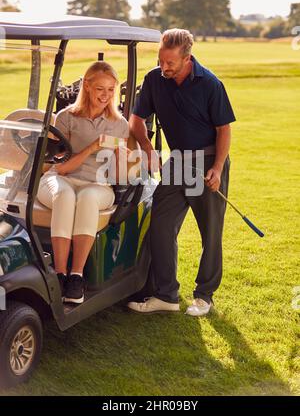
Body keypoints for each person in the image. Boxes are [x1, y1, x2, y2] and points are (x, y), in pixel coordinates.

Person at [127, 29, 236, 316]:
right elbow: (136, 119)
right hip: (176, 162)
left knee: (210, 233)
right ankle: (166, 296)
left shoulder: (211, 84)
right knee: (161, 228)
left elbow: (224, 129)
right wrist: (148, 148)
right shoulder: (154, 80)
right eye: (160, 60)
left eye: (170, 63)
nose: (164, 67)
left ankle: (203, 296)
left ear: (187, 58)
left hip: (208, 161)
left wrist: (216, 168)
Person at [37, 61, 130, 304]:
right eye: (100, 88)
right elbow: (63, 168)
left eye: (111, 90)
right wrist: (92, 147)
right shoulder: (66, 118)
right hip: (60, 179)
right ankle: (59, 275)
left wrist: (122, 158)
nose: (106, 95)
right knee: (66, 196)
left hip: (98, 186)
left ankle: (76, 277)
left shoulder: (119, 125)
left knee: (87, 197)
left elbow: (117, 177)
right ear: (87, 86)